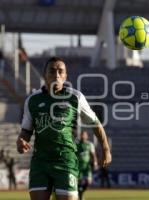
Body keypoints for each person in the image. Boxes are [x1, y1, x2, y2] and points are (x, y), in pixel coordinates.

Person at [16, 57, 112, 200]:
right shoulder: (32, 100)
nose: (56, 75)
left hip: (66, 161)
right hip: (40, 162)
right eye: (52, 71)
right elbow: (26, 131)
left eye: (60, 71)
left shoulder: (75, 98)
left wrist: (105, 149)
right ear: (45, 75)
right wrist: (20, 141)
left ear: (65, 76)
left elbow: (96, 124)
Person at [76, 131, 98, 200]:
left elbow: (93, 155)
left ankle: (81, 192)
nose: (83, 136)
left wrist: (95, 162)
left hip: (87, 166)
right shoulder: (77, 144)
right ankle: (80, 194)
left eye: (84, 135)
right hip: (78, 166)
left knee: (89, 182)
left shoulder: (90, 144)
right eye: (82, 135)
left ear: (87, 136)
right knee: (79, 182)